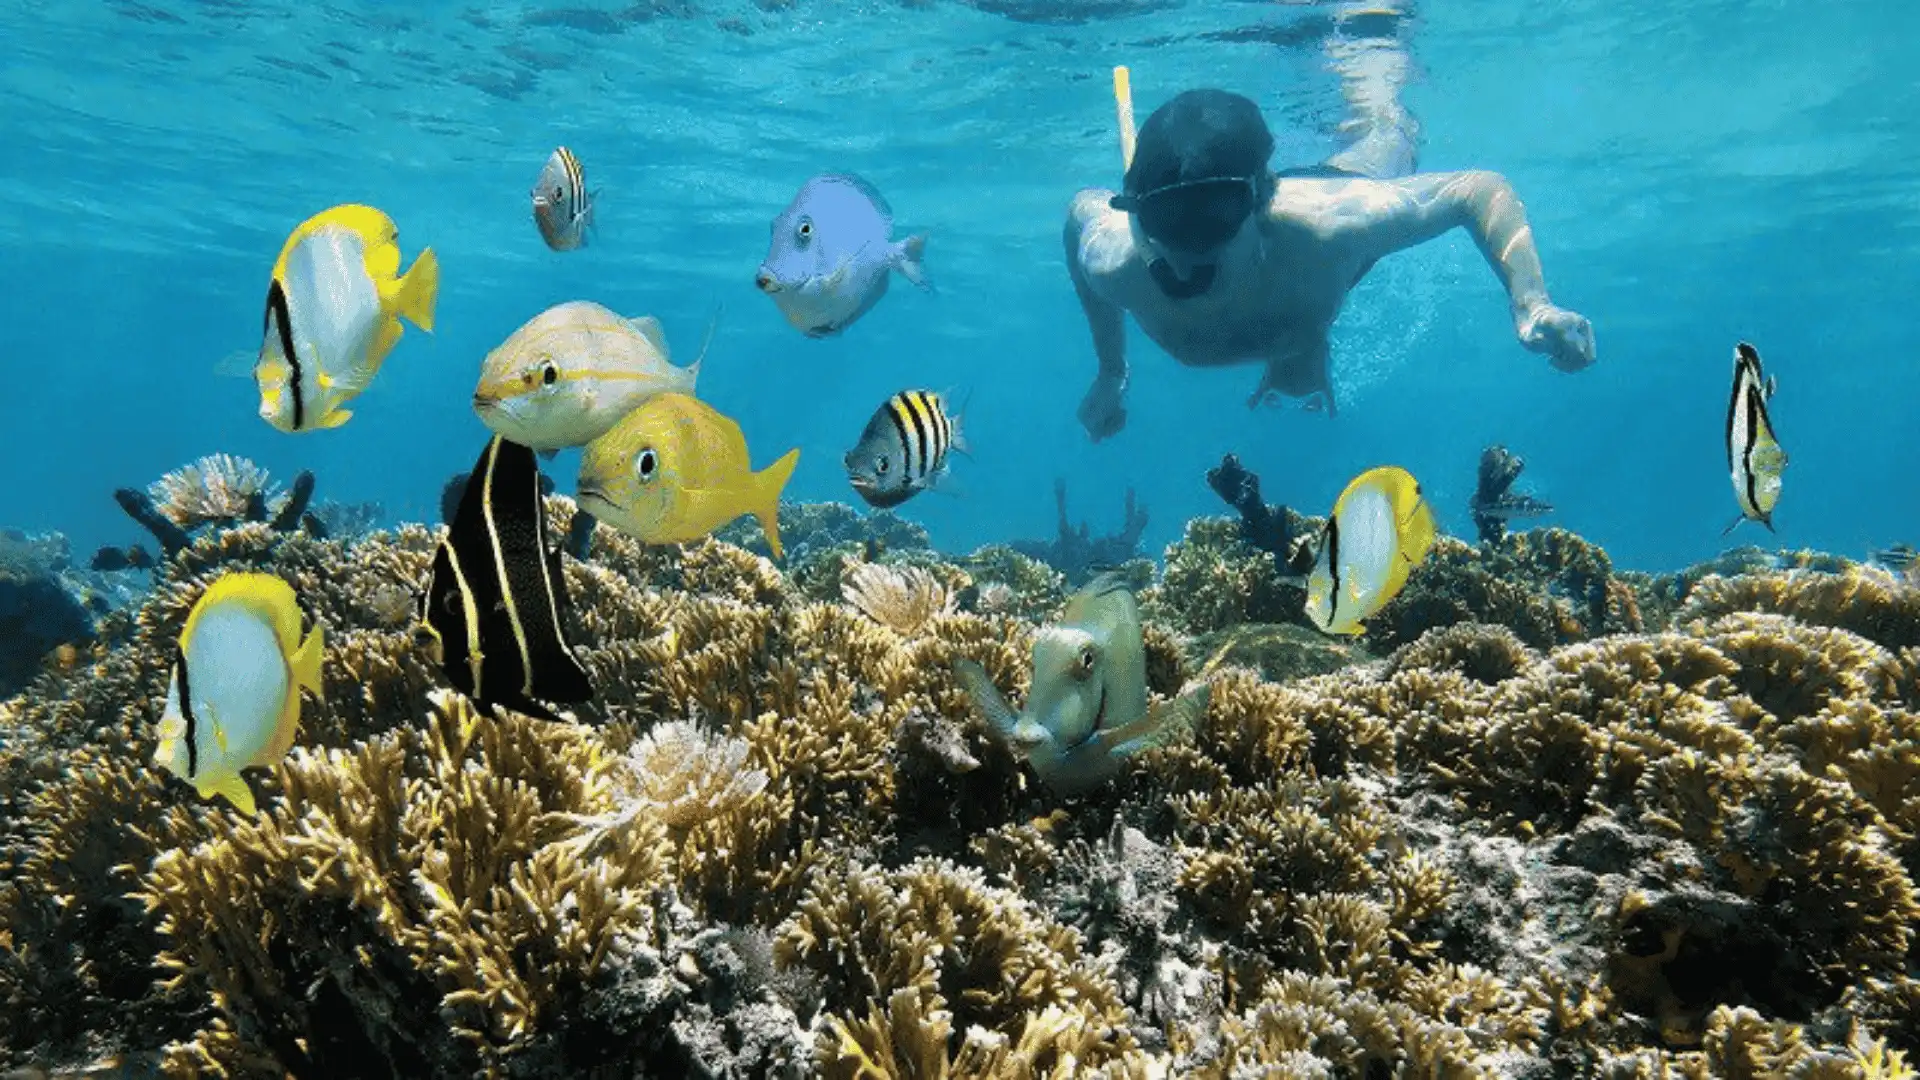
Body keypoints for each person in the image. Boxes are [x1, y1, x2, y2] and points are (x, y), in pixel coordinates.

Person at [1064, 6, 1595, 438]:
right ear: (1140, 214)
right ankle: (1300, 356)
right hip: (1288, 280)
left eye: (1215, 223)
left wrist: (1532, 304)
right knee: (1297, 341)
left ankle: (1370, 62)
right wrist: (1111, 368)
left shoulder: (1337, 227)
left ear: (1261, 201)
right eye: (1168, 223)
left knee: (1388, 134)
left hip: (1328, 191)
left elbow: (1476, 188)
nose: (1191, 247)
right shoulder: (1116, 258)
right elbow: (1080, 213)